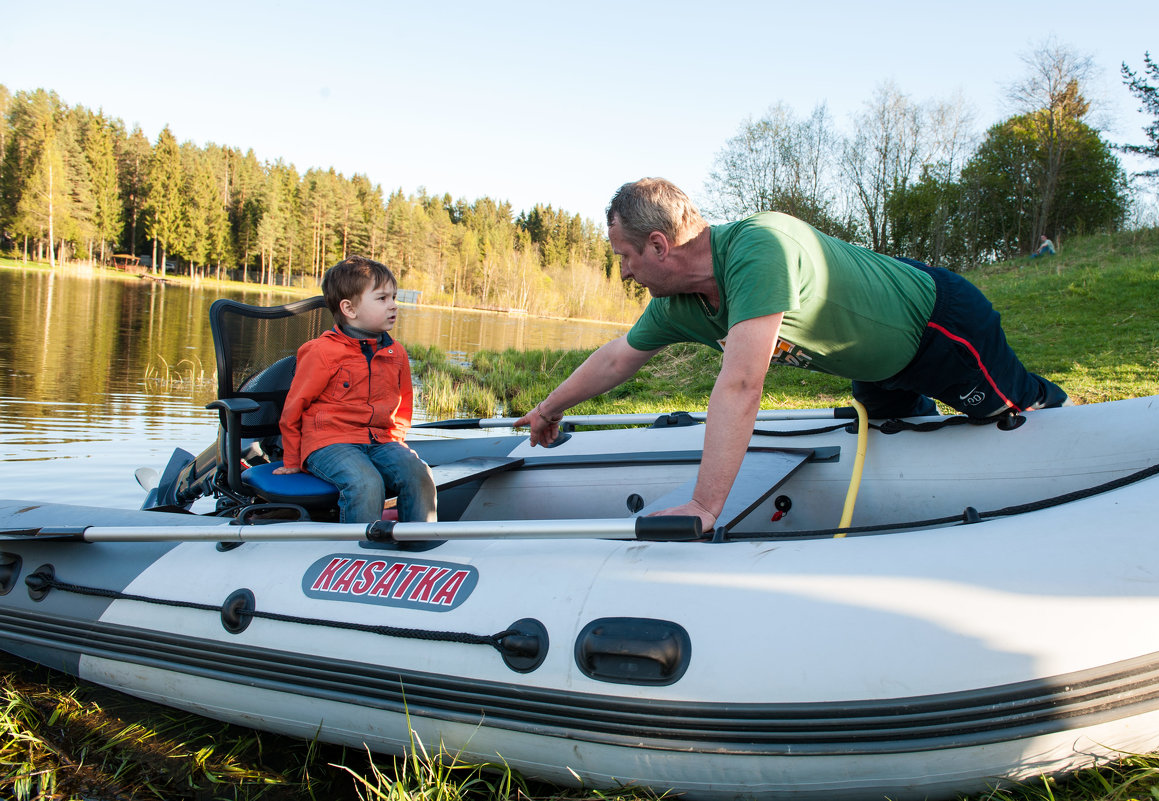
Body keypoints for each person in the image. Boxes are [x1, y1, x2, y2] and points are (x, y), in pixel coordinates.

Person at [515, 178, 1067, 531]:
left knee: (1008, 408)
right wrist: (547, 409)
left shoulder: (759, 247)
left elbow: (741, 386)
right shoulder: (681, 303)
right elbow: (617, 358)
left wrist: (706, 507)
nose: (625, 271)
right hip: (875, 365)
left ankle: (1067, 413)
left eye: (626, 257)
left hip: (939, 326)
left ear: (659, 246)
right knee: (894, 431)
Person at [274, 255, 437, 523]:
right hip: (328, 442)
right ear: (350, 309)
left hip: (378, 440)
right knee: (366, 482)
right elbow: (293, 409)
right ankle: (356, 554)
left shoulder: (396, 352)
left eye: (394, 297)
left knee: (419, 475)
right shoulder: (322, 352)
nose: (394, 306)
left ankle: (420, 546)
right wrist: (292, 460)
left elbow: (402, 406)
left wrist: (395, 442)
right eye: (382, 299)